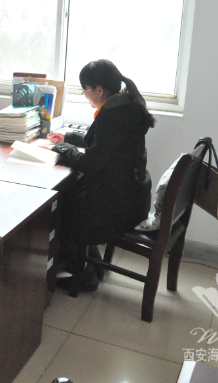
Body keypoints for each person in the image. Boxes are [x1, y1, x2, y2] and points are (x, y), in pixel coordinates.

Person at [48, 59, 155, 292]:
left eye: (85, 90)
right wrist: (68, 138)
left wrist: (65, 149)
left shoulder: (112, 116)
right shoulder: (126, 105)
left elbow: (91, 164)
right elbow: (103, 143)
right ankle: (93, 266)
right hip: (134, 196)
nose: (85, 95)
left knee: (60, 207)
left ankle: (85, 276)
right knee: (71, 196)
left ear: (98, 90)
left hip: (118, 205)